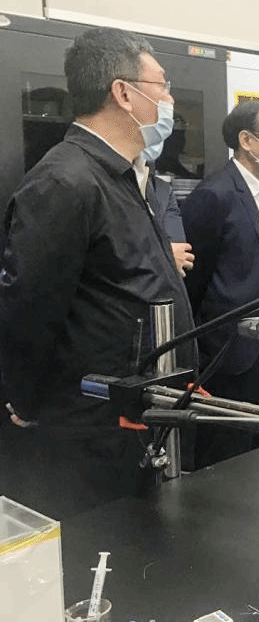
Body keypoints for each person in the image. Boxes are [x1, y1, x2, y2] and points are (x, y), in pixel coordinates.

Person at [0, 26, 194, 517]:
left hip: (139, 414)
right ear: (123, 93)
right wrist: (28, 401)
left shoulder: (123, 175)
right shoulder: (65, 181)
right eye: (162, 85)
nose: (169, 100)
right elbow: (29, 309)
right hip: (93, 429)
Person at [180, 100, 259, 466]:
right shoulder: (214, 195)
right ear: (247, 140)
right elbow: (192, 283)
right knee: (227, 451)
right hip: (230, 350)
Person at [143, 139, 194, 277]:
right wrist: (164, 255)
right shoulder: (104, 182)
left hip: (163, 285)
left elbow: (180, 254)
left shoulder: (162, 190)